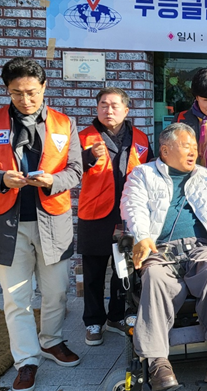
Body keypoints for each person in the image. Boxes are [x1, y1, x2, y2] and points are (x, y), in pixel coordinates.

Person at [0, 57, 83, 391]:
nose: (25, 99)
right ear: (7, 90)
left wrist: (53, 180)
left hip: (53, 221)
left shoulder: (64, 123)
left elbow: (75, 169)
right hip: (7, 222)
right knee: (17, 296)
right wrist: (2, 178)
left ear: (44, 87)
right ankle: (26, 360)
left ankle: (51, 341)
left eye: (32, 92)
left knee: (56, 292)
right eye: (17, 93)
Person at [120, 122, 207, 391]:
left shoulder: (206, 176)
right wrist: (142, 235)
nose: (193, 152)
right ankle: (158, 362)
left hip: (200, 247)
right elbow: (133, 206)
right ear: (165, 150)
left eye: (194, 147)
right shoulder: (143, 174)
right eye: (186, 146)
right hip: (160, 249)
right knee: (154, 277)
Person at [77, 87, 153, 346]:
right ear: (97, 107)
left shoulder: (140, 138)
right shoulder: (84, 137)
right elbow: (69, 170)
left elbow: (149, 171)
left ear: (126, 110)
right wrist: (89, 156)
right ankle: (93, 321)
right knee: (94, 271)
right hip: (94, 213)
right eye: (103, 105)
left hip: (128, 212)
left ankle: (117, 316)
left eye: (114, 105)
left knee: (125, 270)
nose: (108, 110)